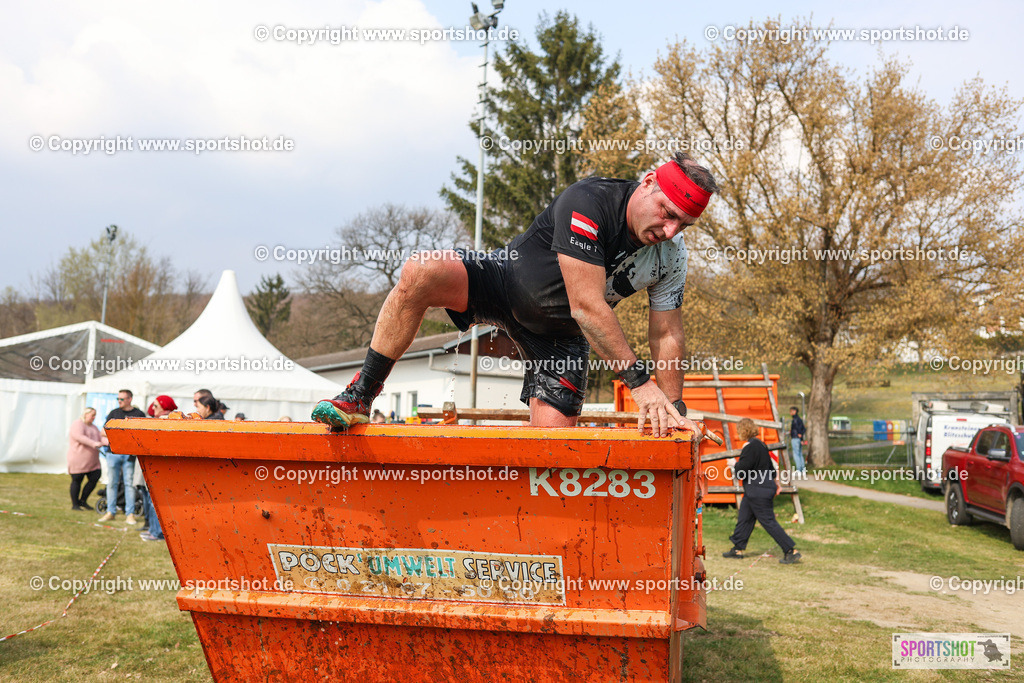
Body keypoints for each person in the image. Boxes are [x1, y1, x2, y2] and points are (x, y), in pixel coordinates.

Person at [313, 152, 718, 436]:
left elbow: (666, 333)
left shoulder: (671, 254)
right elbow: (587, 306)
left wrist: (674, 410)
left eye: (683, 225)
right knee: (423, 269)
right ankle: (361, 394)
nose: (670, 231)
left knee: (552, 459)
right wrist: (640, 385)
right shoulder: (590, 200)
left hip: (560, 337)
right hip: (504, 283)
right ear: (647, 183)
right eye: (667, 213)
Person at [723, 418, 801, 564]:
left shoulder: (749, 447)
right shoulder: (761, 444)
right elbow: (771, 468)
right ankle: (737, 548)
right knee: (745, 517)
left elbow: (742, 471)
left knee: (768, 522)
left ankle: (790, 550)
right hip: (761, 488)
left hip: (757, 490)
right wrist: (777, 484)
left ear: (743, 431)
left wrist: (734, 464)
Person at [99, 389, 146, 523]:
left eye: (122, 399)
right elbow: (103, 431)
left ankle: (130, 514)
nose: (119, 401)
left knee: (129, 484)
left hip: (129, 455)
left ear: (130, 399)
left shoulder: (139, 414)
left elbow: (142, 433)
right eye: (118, 399)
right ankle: (110, 511)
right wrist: (121, 432)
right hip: (113, 453)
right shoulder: (114, 413)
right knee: (112, 483)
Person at [139, 395, 177, 542]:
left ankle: (158, 533)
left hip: (161, 466)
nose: (152, 408)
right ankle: (153, 530)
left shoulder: (166, 420)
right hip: (156, 465)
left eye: (156, 405)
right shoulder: (160, 419)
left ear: (163, 406)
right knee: (152, 500)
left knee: (157, 502)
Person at [67, 408, 108, 510]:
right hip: (78, 459)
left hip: (92, 461)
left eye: (95, 415)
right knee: (77, 480)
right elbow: (79, 437)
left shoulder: (94, 427)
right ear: (86, 414)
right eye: (92, 415)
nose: (94, 417)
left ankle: (83, 500)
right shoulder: (78, 424)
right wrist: (93, 443)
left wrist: (110, 442)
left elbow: (100, 438)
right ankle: (75, 504)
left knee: (95, 476)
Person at [789, 407, 806, 472]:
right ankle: (803, 469)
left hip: (795, 438)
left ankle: (799, 469)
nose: (790, 413)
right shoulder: (799, 419)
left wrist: (799, 434)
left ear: (795, 411)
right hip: (799, 439)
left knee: (796, 454)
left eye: (791, 411)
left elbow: (798, 429)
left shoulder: (795, 420)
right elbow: (803, 429)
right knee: (800, 454)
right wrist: (801, 439)